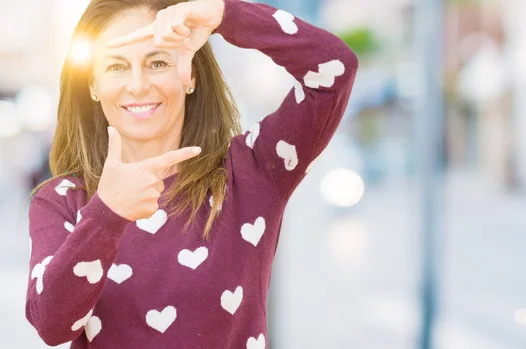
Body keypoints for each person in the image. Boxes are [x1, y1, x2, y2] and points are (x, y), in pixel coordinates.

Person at [25, 0, 358, 347]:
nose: (137, 85)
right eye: (115, 67)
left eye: (157, 62)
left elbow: (334, 68)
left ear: (191, 75)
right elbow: (51, 324)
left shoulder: (251, 172)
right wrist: (106, 214)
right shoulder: (62, 200)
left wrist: (226, 15)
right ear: (92, 85)